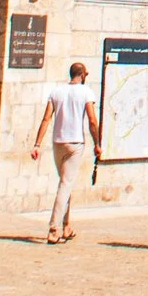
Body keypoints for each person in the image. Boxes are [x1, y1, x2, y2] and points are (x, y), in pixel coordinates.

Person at [29, 62, 101, 243]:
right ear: (83, 75)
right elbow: (92, 120)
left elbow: (46, 119)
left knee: (65, 183)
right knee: (65, 184)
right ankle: (54, 229)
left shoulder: (56, 92)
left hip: (57, 142)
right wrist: (97, 143)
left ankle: (67, 226)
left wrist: (37, 143)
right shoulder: (86, 92)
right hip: (75, 143)